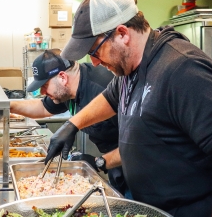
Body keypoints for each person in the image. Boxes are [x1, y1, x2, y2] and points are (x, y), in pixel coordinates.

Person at [43, 0, 212, 217]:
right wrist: (72, 125)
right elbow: (110, 99)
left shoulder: (182, 68)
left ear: (122, 34)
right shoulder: (129, 70)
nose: (94, 63)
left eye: (95, 51)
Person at [8, 49, 129, 196]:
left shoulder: (100, 90)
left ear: (62, 77)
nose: (43, 92)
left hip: (138, 167)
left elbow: (137, 145)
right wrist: (8, 106)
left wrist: (99, 162)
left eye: (45, 86)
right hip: (116, 166)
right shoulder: (66, 91)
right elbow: (42, 107)